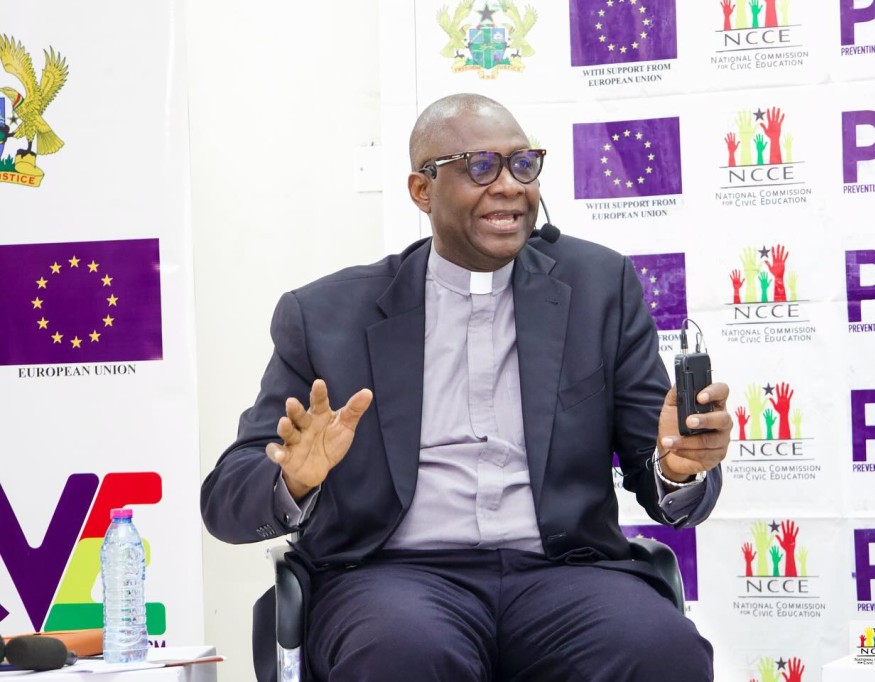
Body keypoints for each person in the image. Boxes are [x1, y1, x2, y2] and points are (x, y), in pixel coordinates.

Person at [200, 93, 731, 682]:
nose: (509, 187)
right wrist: (294, 480)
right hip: (395, 578)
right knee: (405, 654)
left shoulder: (599, 288)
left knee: (662, 651)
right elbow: (225, 499)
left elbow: (659, 472)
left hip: (564, 575)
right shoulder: (326, 316)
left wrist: (677, 468)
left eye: (523, 164)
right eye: (480, 167)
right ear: (422, 190)